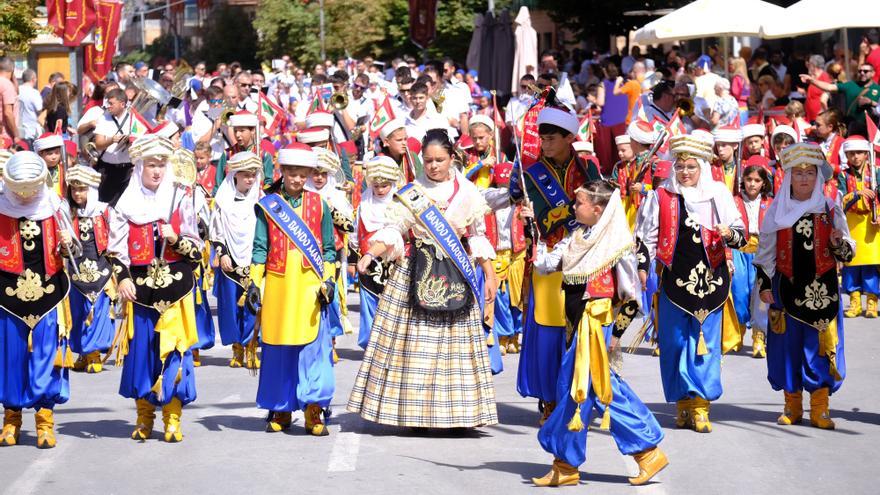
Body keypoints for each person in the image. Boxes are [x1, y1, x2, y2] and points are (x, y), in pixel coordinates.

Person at [348, 128, 499, 429]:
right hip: (417, 269)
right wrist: (370, 253)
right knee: (416, 347)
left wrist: (490, 275)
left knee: (454, 351)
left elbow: (478, 237)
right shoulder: (412, 191)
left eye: (439, 160)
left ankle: (458, 417)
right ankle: (414, 414)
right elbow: (394, 230)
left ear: (451, 158)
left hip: (456, 270)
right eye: (428, 160)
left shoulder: (467, 192)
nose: (433, 166)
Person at [532, 181, 667, 487]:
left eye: (578, 202)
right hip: (577, 320)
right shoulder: (578, 236)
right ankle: (568, 463)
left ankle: (642, 450)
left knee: (586, 386)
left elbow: (631, 289)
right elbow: (547, 266)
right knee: (584, 387)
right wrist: (537, 240)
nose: (573, 207)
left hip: (594, 321)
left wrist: (617, 329)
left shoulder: (616, 241)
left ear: (597, 209)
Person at [635, 134, 747, 433]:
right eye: (681, 166)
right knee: (673, 343)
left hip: (712, 280)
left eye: (691, 167)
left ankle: (700, 406)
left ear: (702, 168)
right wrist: (644, 267)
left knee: (704, 345)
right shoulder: (661, 195)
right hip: (673, 280)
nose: (685, 172)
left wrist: (728, 234)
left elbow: (741, 234)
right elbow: (645, 236)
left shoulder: (718, 194)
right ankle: (682, 405)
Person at [108, 134, 203, 443]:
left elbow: (197, 252)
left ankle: (172, 419)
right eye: (151, 165)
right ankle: (144, 417)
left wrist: (177, 240)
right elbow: (115, 250)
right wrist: (121, 277)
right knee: (143, 355)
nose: (157, 171)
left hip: (176, 292)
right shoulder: (125, 203)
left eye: (162, 165)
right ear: (140, 167)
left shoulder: (181, 200)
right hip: (140, 292)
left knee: (175, 354)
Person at [755, 143, 853, 429]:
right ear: (789, 177)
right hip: (786, 291)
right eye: (798, 173)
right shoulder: (777, 211)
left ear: (817, 176)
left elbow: (847, 252)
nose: (804, 179)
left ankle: (820, 407)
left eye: (810, 173)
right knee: (788, 349)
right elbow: (765, 254)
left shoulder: (830, 208)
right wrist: (764, 285)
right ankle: (792, 405)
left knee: (820, 350)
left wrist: (838, 244)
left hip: (823, 294)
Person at [517, 107, 601, 424]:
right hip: (551, 261)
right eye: (542, 138)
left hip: (585, 259)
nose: (545, 144)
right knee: (550, 333)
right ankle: (550, 400)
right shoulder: (531, 174)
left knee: (581, 331)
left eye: (551, 139)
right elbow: (540, 217)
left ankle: (580, 396)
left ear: (570, 138)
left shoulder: (589, 170)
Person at [252, 143, 337, 436]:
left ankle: (314, 409)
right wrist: (254, 281)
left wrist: (329, 280)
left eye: (304, 175)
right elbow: (260, 246)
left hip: (310, 285)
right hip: (277, 284)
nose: (298, 180)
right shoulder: (270, 204)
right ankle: (281, 406)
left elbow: (328, 248)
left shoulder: (320, 204)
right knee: (278, 348)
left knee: (312, 347)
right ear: (283, 172)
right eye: (292, 174)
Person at [0, 151, 74, 449]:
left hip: (49, 295)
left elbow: (77, 253)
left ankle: (45, 420)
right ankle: (10, 419)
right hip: (7, 295)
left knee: (47, 356)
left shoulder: (55, 206)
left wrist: (69, 244)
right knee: (10, 357)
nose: (26, 196)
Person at [210, 152, 263, 368]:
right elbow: (216, 231)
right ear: (235, 175)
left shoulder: (261, 202)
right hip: (229, 261)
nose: (249, 179)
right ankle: (236, 349)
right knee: (230, 308)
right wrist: (221, 253)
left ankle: (251, 347)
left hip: (253, 260)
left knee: (253, 305)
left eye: (253, 175)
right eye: (245, 175)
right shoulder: (222, 202)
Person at [65, 165, 115, 374]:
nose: (78, 194)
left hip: (101, 268)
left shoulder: (105, 210)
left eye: (82, 189)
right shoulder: (67, 212)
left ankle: (94, 351)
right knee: (78, 312)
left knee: (99, 311)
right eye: (74, 189)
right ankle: (83, 352)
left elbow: (115, 236)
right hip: (76, 268)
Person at [351, 156, 398, 349]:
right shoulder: (364, 205)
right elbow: (355, 232)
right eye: (376, 186)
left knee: (393, 307)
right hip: (367, 264)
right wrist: (354, 261)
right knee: (369, 304)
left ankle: (391, 346)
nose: (380, 190)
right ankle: (371, 345)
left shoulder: (399, 205)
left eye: (385, 185)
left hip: (394, 263)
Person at [731, 160, 773, 358]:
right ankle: (738, 332)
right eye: (749, 179)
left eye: (757, 180)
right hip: (740, 249)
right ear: (743, 181)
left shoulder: (770, 203)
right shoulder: (733, 201)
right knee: (739, 291)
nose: (752, 184)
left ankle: (759, 336)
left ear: (764, 183)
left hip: (763, 251)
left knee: (761, 294)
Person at [838, 136, 880, 318]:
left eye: (859, 153)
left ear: (866, 154)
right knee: (851, 264)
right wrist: (857, 193)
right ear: (846, 155)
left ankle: (872, 302)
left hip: (871, 223)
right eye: (852, 153)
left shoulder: (876, 172)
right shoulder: (843, 175)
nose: (855, 157)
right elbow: (841, 199)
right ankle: (854, 302)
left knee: (871, 265)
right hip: (852, 222)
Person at [801, 63, 880, 130]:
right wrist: (812, 80)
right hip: (851, 127)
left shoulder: (878, 89)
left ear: (873, 73)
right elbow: (829, 87)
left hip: (871, 128)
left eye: (865, 71)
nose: (862, 73)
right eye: (860, 71)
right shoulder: (851, 85)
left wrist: (871, 102)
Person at [213, 111, 274, 191]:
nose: (237, 135)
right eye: (235, 131)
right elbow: (219, 183)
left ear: (252, 131)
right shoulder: (227, 154)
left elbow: (268, 183)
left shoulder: (264, 155)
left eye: (242, 130)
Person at [612, 121, 657, 229]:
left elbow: (660, 190)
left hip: (648, 212)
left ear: (635, 142)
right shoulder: (633, 162)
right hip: (632, 210)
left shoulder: (654, 163)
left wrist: (643, 188)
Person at [93, 88, 134, 205]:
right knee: (104, 205)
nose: (108, 106)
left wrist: (130, 140)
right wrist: (111, 140)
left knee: (126, 206)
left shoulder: (133, 117)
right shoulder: (103, 118)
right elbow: (99, 145)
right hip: (107, 169)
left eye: (111, 103)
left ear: (122, 104)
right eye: (107, 103)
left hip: (127, 169)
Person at [711, 125, 743, 193]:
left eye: (723, 145)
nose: (720, 149)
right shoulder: (712, 167)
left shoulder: (743, 167)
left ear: (735, 145)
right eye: (718, 145)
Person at [33, 132, 67, 197]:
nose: (54, 157)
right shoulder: (37, 171)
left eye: (57, 153)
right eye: (50, 154)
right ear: (40, 154)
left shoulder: (62, 169)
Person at [17, 69, 43, 145]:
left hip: (18, 130)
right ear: (33, 79)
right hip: (31, 131)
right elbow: (39, 110)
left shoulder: (16, 90)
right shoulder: (34, 93)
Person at [804, 55, 830, 123]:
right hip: (810, 117)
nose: (808, 66)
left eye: (809, 64)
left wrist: (826, 116)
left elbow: (825, 97)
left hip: (819, 118)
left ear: (813, 65)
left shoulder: (824, 77)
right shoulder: (813, 77)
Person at [0, 57, 19, 144]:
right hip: (5, 135)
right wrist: (16, 134)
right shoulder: (7, 85)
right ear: (12, 69)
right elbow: (8, 113)